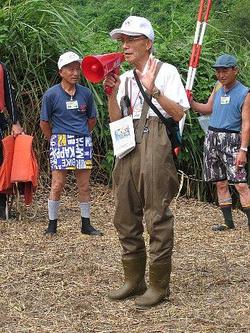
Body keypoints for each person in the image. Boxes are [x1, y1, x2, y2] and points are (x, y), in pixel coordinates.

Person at [103, 16, 189, 308]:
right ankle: (134, 280)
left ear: (148, 43)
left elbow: (178, 114)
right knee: (124, 214)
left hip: (156, 141)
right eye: (122, 41)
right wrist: (111, 94)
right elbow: (115, 120)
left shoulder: (167, 72)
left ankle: (158, 285)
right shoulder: (124, 78)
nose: (124, 46)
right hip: (127, 143)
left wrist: (155, 91)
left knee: (156, 215)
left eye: (130, 40)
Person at [40, 51, 103, 236]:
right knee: (57, 184)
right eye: (70, 69)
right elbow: (44, 122)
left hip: (82, 140)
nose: (75, 73)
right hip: (60, 140)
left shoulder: (86, 93)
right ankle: (52, 225)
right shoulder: (51, 95)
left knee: (84, 185)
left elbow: (92, 119)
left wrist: (82, 134)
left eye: (77, 69)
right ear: (61, 72)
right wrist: (54, 139)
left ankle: (86, 224)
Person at [190, 54, 250, 232]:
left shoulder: (245, 93)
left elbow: (247, 125)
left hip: (231, 139)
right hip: (212, 137)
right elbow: (208, 109)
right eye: (218, 71)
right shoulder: (218, 87)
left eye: (225, 71)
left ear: (235, 70)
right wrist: (191, 102)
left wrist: (243, 150)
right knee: (220, 182)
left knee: (240, 183)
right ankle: (228, 223)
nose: (221, 75)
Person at [0, 61, 23, 219]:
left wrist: (15, 122)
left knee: (1, 164)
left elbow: (9, 94)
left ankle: (1, 206)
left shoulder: (1, 67)